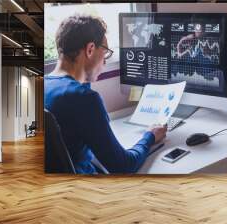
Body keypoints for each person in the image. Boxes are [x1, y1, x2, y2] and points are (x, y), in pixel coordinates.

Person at [44, 14, 167, 174]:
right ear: (90, 49)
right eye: (106, 52)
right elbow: (123, 167)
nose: (104, 61)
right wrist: (150, 136)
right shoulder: (83, 99)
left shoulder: (45, 85)